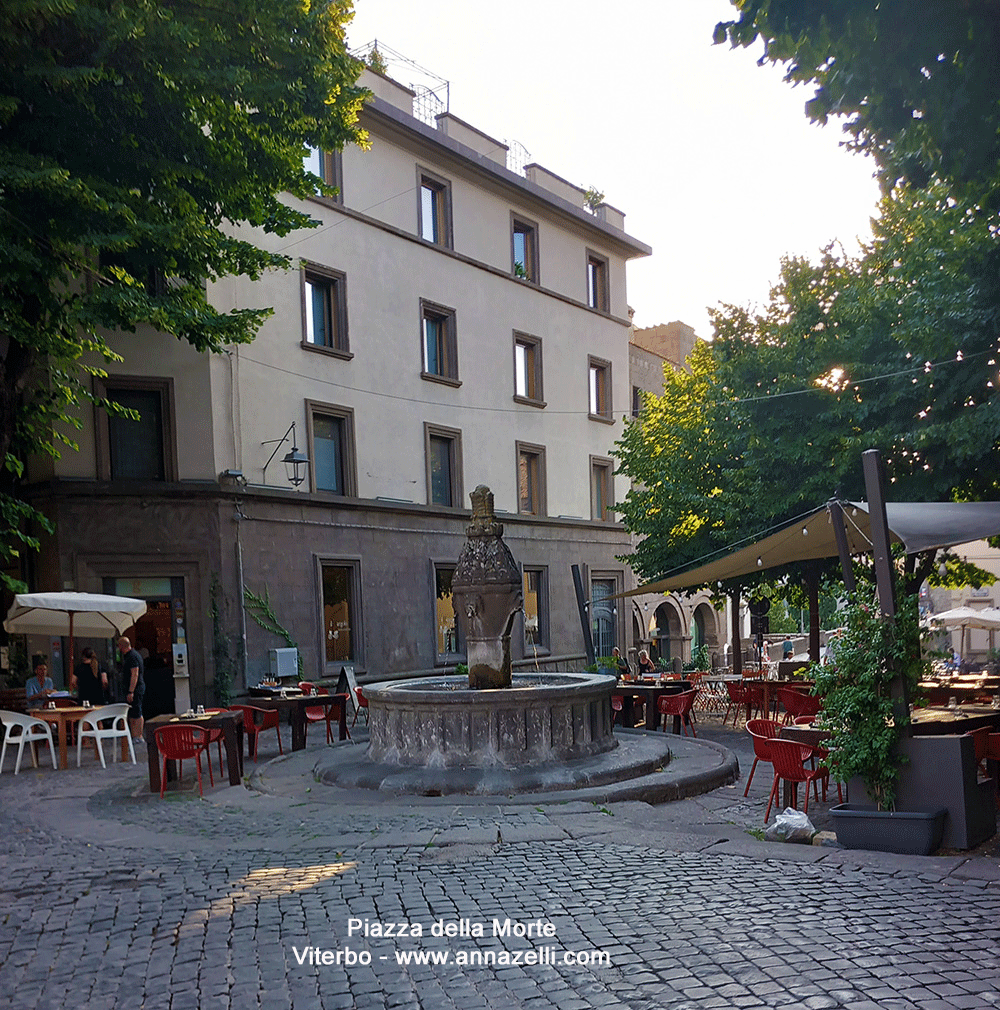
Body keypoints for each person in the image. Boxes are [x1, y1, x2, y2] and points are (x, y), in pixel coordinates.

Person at [117, 636, 146, 743]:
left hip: (136, 688)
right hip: (134, 688)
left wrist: (131, 691)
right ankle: (134, 735)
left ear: (121, 646)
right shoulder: (131, 655)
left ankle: (138, 735)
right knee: (133, 712)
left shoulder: (132, 657)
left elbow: (135, 674)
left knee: (137, 711)